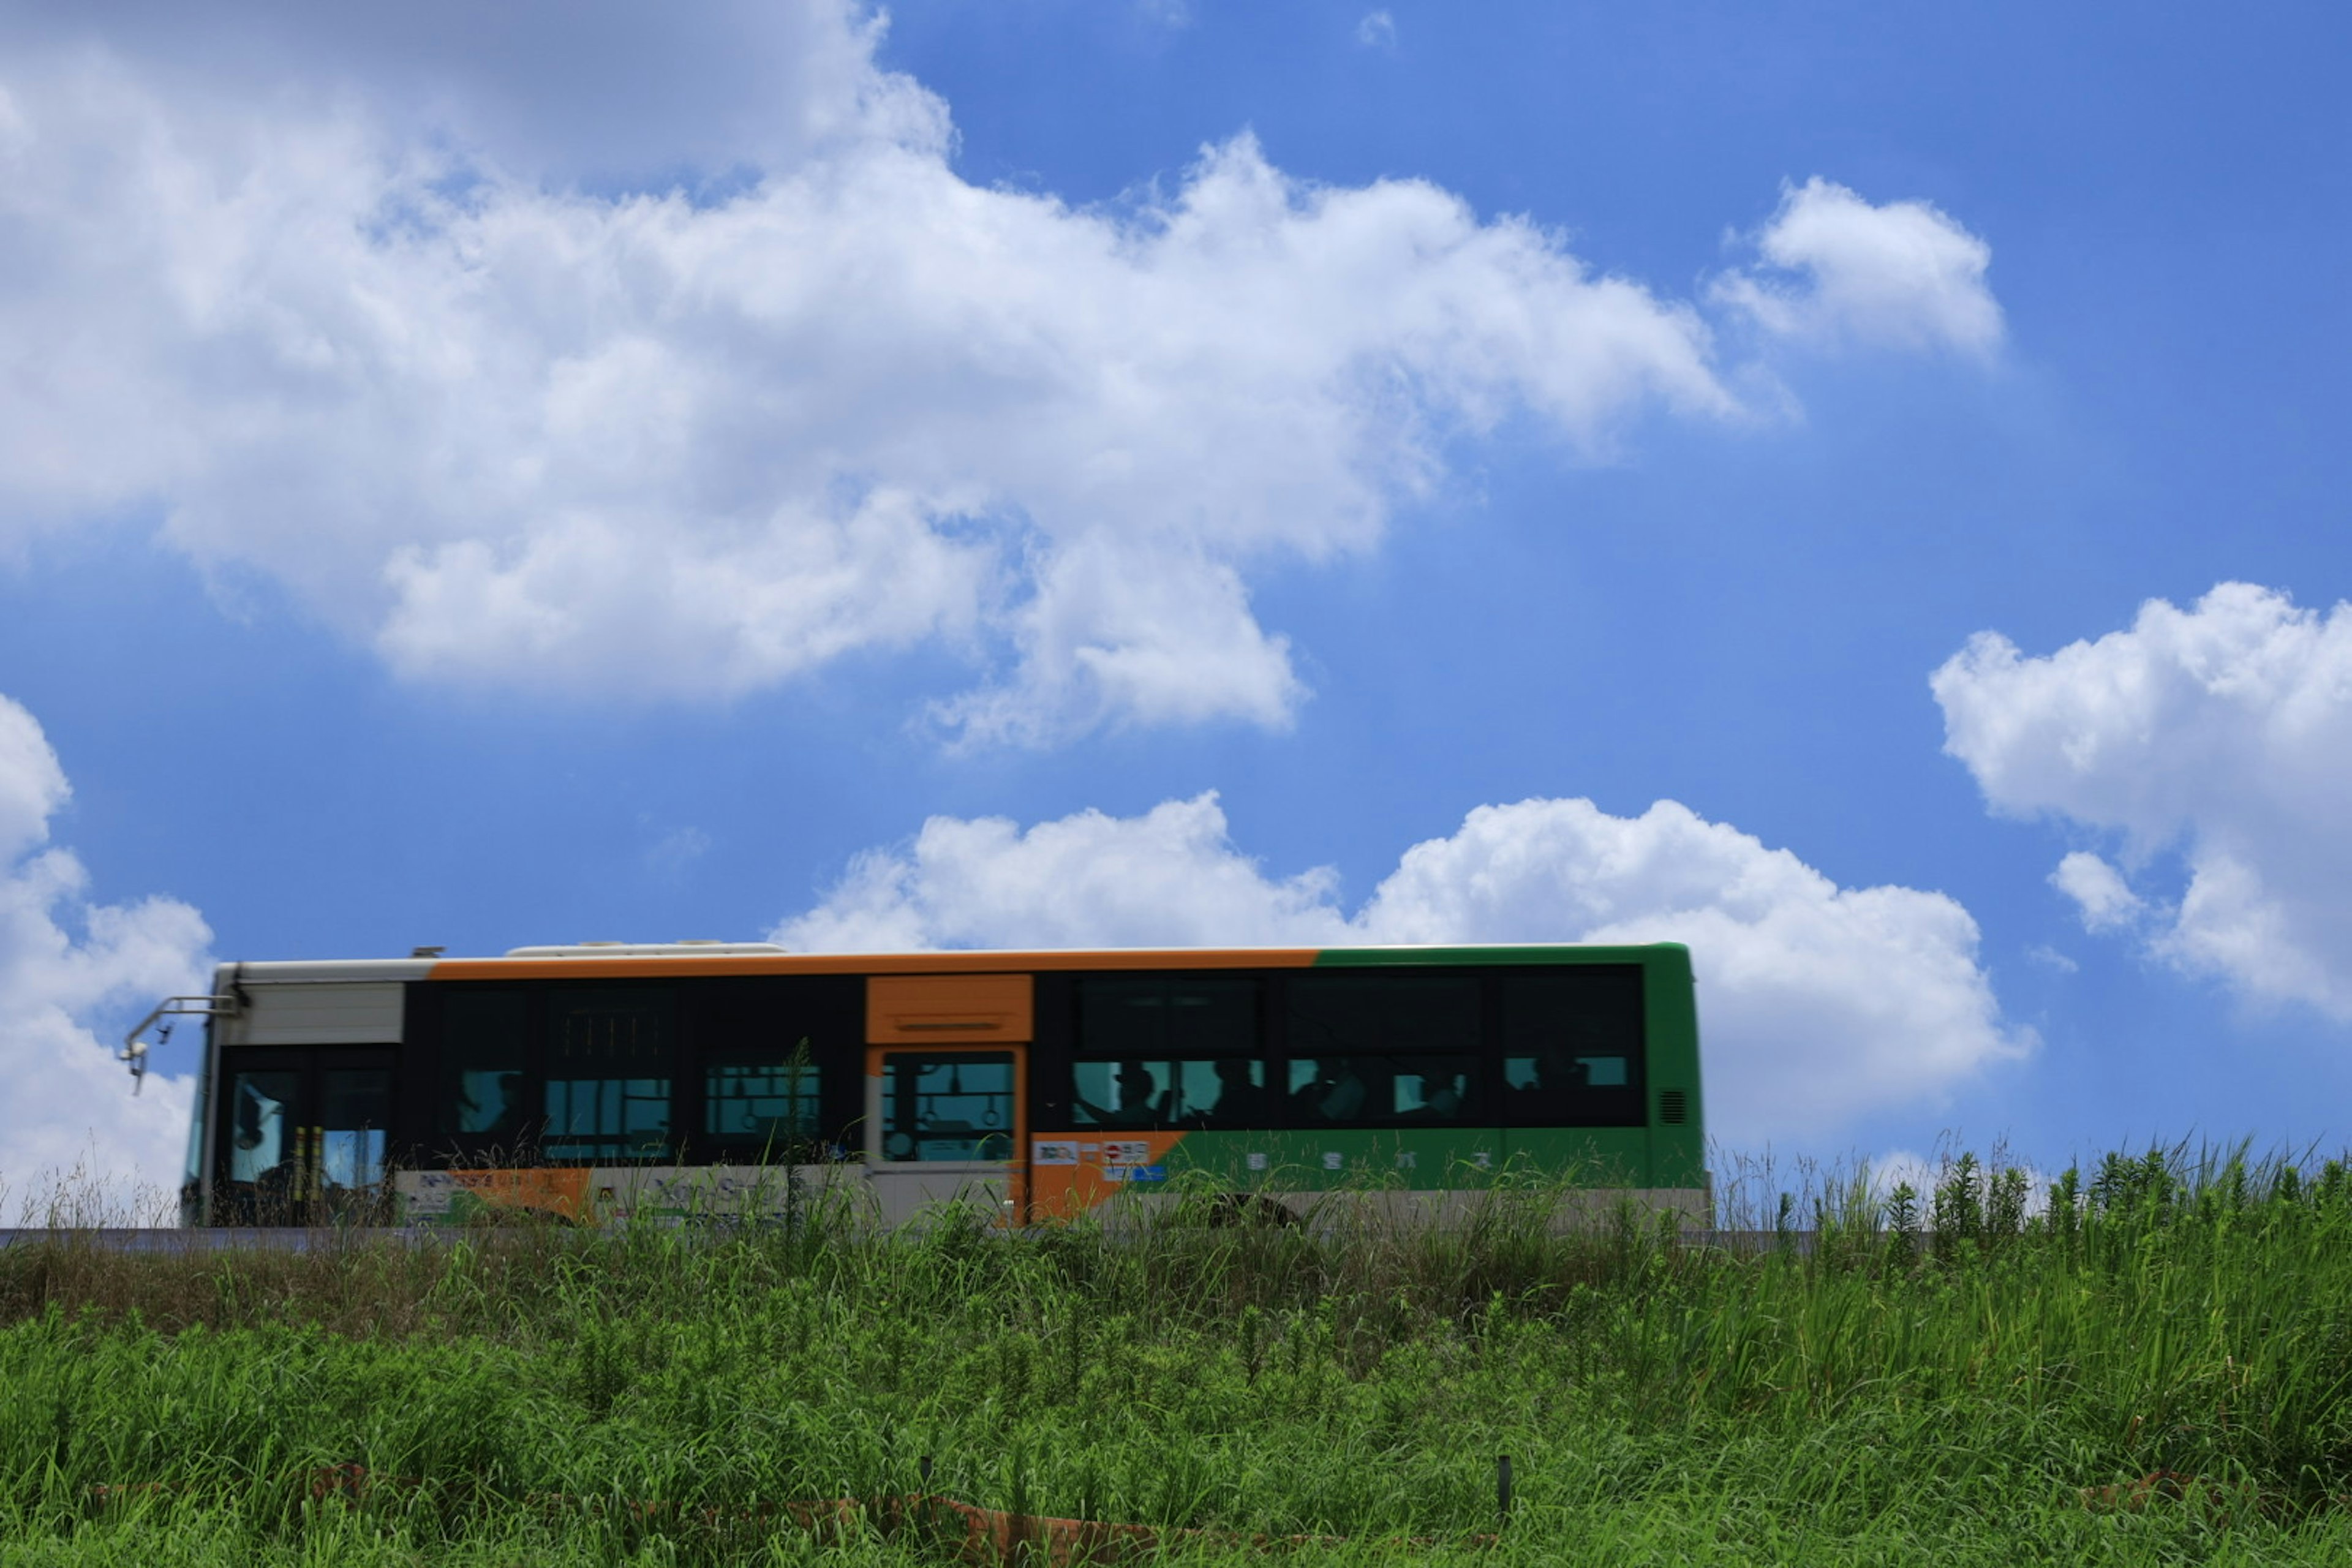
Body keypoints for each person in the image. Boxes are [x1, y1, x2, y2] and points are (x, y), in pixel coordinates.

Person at [1074, 1059, 1169, 1126]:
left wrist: (1081, 1102)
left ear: (1135, 1090)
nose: (1120, 1091)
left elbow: (1108, 1120)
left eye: (1125, 1086)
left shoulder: (1138, 1110)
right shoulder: (1140, 1110)